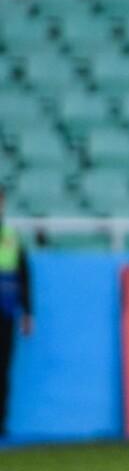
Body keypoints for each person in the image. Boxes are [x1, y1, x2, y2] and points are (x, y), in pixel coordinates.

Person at [0, 186, 34, 437]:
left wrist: (28, 312)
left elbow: (23, 275)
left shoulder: (11, 237)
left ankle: (1, 422)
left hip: (6, 311)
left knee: (3, 368)